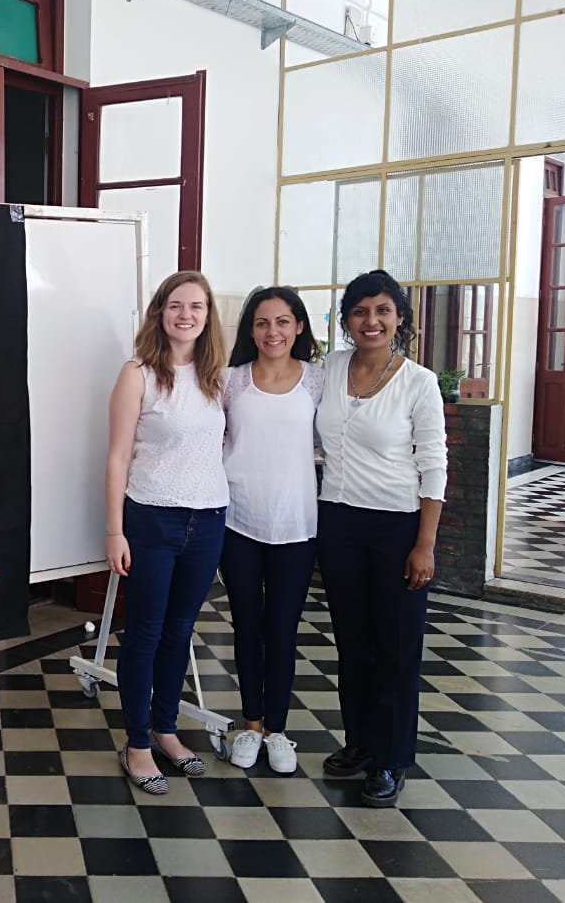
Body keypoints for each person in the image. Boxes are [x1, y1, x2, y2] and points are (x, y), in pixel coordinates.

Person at [315, 269, 446, 808]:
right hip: (337, 521)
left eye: (382, 311)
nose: (371, 321)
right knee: (352, 641)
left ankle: (391, 758)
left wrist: (424, 543)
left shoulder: (418, 381)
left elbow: (433, 465)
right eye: (360, 311)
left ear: (399, 318)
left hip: (396, 525)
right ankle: (360, 741)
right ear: (346, 320)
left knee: (395, 646)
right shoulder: (331, 368)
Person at [105, 271, 228, 796]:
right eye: (176, 305)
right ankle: (136, 743)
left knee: (180, 632)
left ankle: (166, 729)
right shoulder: (138, 374)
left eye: (196, 306)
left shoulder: (216, 376)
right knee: (146, 634)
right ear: (160, 312)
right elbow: (117, 457)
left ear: (207, 316)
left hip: (208, 520)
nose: (186, 315)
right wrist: (114, 531)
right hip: (152, 519)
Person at [220, 287, 324, 775]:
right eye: (262, 323)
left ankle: (278, 730)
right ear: (250, 329)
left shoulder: (318, 381)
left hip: (296, 524)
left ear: (299, 326)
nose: (273, 332)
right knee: (247, 625)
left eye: (283, 322)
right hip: (237, 521)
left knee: (282, 629)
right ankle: (252, 725)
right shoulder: (231, 381)